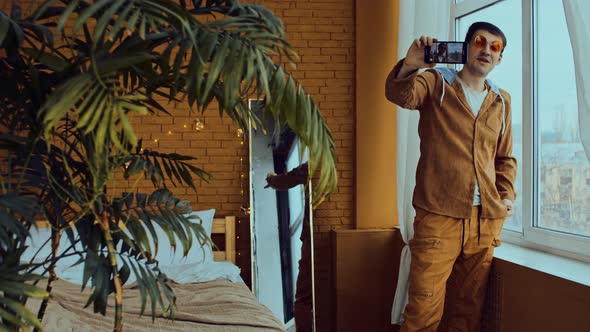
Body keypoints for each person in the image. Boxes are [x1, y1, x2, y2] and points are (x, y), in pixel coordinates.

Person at [385, 22, 517, 332]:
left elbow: (505, 157)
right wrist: (411, 65)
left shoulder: (501, 101)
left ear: (499, 58)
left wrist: (507, 195)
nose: (486, 50)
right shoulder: (435, 82)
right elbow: (401, 95)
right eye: (480, 42)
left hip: (483, 223)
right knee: (423, 311)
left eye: (494, 47)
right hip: (438, 217)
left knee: (466, 313)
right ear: (466, 47)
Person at [265, 162, 313, 332]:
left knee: (303, 296)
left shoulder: (314, 164)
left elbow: (285, 180)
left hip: (312, 239)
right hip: (329, 240)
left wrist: (271, 178)